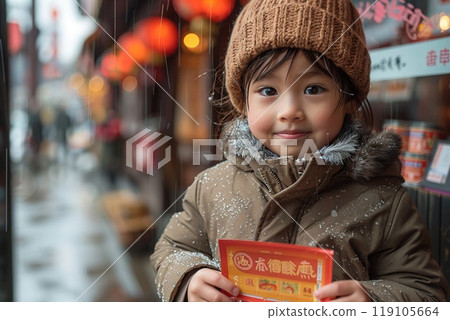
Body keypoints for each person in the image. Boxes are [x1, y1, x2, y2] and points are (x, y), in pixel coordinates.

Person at [151, 0, 448, 302]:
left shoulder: (382, 199)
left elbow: (425, 292)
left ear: (349, 100)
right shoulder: (212, 187)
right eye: (268, 91)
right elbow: (172, 250)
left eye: (313, 89)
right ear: (244, 101)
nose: (289, 111)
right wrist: (190, 279)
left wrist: (372, 299)